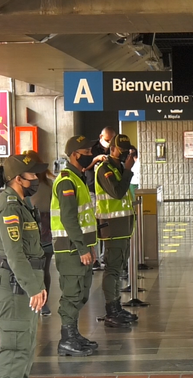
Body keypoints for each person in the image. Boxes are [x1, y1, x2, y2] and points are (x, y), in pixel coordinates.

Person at [0, 154, 51, 378]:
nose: (36, 180)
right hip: (15, 285)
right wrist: (34, 286)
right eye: (32, 175)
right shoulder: (10, 207)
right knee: (14, 348)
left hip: (22, 284)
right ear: (17, 178)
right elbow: (15, 255)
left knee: (24, 346)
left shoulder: (22, 204)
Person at [51, 137, 107, 358]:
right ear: (74, 154)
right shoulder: (66, 180)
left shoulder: (78, 178)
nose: (89, 155)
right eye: (85, 151)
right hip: (70, 248)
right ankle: (67, 339)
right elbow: (69, 218)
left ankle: (73, 334)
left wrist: (89, 247)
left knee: (82, 293)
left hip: (80, 247)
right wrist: (83, 248)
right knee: (72, 293)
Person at [94, 134, 140, 324]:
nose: (124, 154)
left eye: (126, 150)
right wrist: (128, 170)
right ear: (112, 148)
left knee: (119, 267)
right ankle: (111, 310)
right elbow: (118, 192)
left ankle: (117, 307)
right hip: (112, 228)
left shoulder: (119, 168)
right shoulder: (105, 169)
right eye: (121, 150)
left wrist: (126, 169)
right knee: (112, 269)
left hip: (123, 227)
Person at [25, 150, 55, 316]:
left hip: (41, 229)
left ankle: (41, 301)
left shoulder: (44, 185)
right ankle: (41, 302)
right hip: (44, 229)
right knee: (42, 269)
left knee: (40, 268)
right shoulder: (49, 184)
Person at [88, 127, 115, 270]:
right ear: (100, 136)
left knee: (106, 225)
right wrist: (96, 159)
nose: (109, 143)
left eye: (111, 140)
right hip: (92, 190)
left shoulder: (114, 149)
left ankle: (106, 257)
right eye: (107, 140)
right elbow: (84, 167)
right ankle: (95, 258)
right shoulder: (91, 149)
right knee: (94, 224)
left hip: (107, 192)